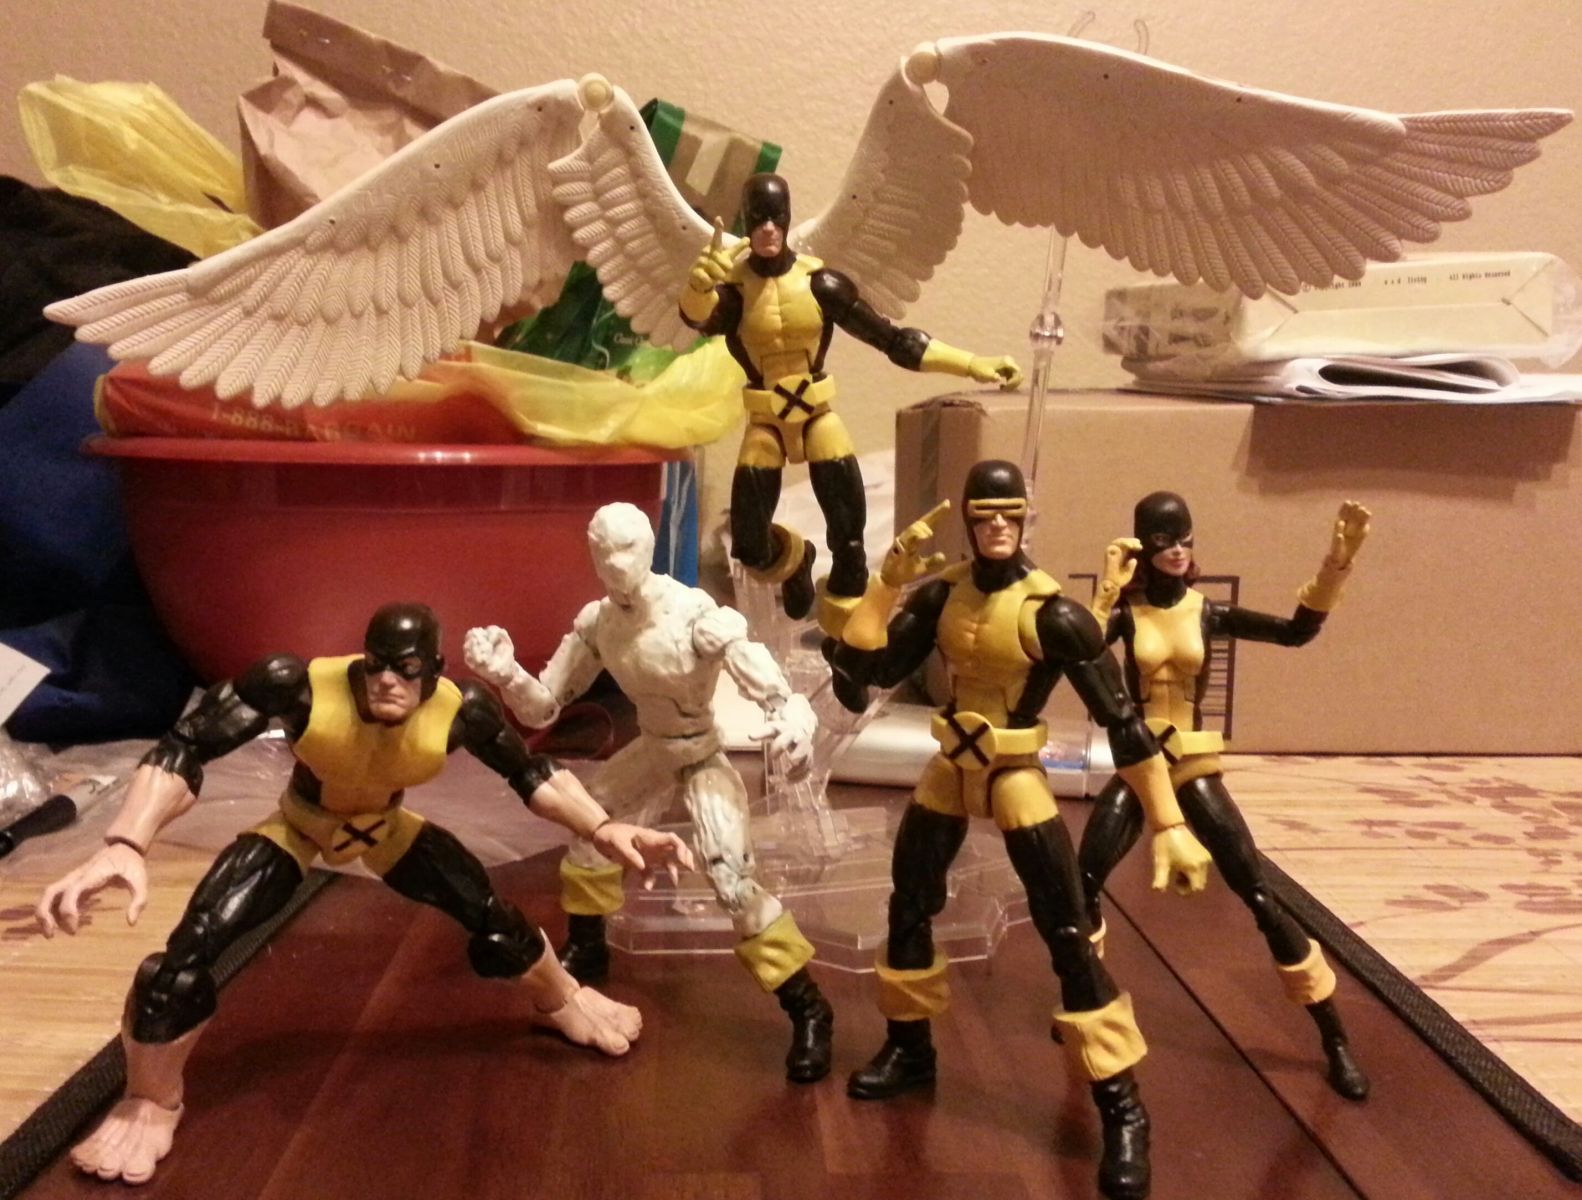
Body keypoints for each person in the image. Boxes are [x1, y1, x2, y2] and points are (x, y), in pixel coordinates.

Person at [36, 602, 692, 1185]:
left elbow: (530, 773)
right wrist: (126, 841)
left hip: (386, 829)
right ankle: (150, 1099)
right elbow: (186, 744)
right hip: (299, 826)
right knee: (182, 962)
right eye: (377, 665)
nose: (387, 682)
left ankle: (564, 997)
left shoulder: (461, 709)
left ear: (432, 670)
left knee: (491, 917)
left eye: (407, 670)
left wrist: (601, 828)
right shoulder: (297, 685)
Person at [825, 461, 1212, 1200]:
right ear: (970, 520)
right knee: (907, 907)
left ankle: (1123, 1107)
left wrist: (1167, 820)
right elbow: (865, 669)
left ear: (1027, 517)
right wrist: (887, 581)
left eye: (1010, 513)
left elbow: (1124, 724)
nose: (998, 526)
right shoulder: (941, 595)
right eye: (985, 514)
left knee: (1066, 930)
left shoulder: (1054, 614)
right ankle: (910, 1049)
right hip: (950, 765)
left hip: (1015, 773)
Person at [465, 502, 835, 1082]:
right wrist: (507, 674)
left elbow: (766, 681)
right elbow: (544, 707)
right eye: (603, 552)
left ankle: (808, 1007)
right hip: (653, 748)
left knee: (731, 880)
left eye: (628, 549)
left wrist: (791, 715)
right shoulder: (598, 623)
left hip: (701, 751)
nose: (616, 563)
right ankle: (589, 945)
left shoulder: (694, 615)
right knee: (589, 828)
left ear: (649, 547)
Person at [1079, 492, 1372, 1100]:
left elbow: (1294, 633)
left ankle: (1334, 1036)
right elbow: (1078, 651)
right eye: (1164, 541)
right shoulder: (1128, 614)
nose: (1177, 550)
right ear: (1143, 548)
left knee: (1257, 892)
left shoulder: (1205, 611)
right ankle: (1085, 1001)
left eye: (1184, 538)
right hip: (1140, 762)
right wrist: (1106, 591)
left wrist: (1335, 566)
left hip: (1191, 762)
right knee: (1083, 881)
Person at [679, 173, 1022, 630]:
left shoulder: (820, 284)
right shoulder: (735, 294)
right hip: (767, 422)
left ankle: (848, 638)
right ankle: (797, 559)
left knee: (849, 541)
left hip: (817, 415)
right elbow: (698, 317)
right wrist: (697, 288)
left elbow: (892, 339)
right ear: (746, 219)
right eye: (758, 218)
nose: (768, 229)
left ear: (788, 218)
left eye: (776, 218)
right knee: (750, 545)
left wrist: (973, 363)